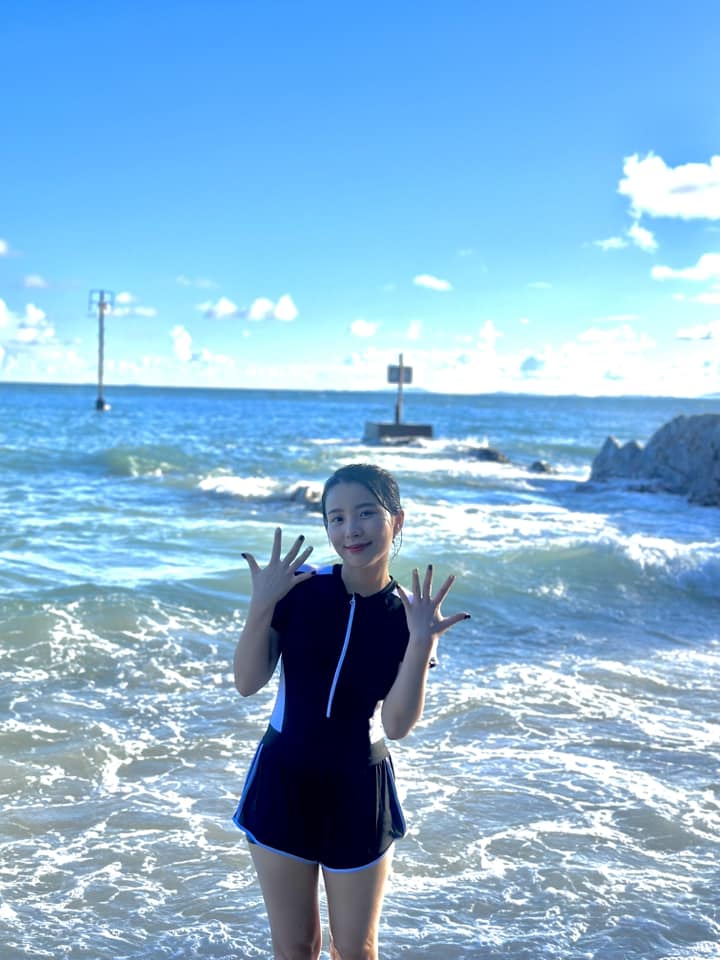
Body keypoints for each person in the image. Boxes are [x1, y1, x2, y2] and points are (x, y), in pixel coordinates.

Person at [232, 463, 469, 960]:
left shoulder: (410, 615)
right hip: (283, 781)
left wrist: (420, 643)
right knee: (296, 948)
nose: (350, 530)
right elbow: (247, 682)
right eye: (336, 518)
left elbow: (397, 725)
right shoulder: (298, 589)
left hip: (360, 791)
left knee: (356, 949)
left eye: (365, 513)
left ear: (396, 521)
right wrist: (261, 605)